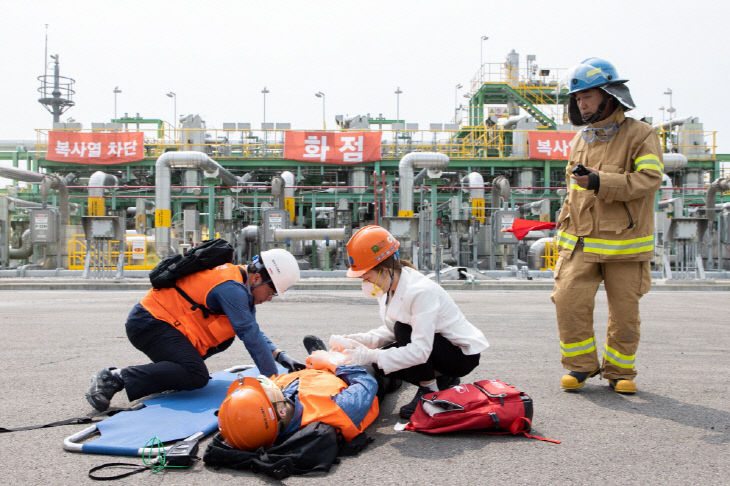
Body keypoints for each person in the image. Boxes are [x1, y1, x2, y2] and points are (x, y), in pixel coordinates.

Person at [552, 57, 663, 394]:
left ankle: (620, 371)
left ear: (608, 94)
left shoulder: (641, 134)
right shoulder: (580, 139)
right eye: (577, 98)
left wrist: (600, 181)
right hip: (580, 241)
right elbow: (572, 193)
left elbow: (649, 179)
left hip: (625, 244)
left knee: (624, 312)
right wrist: (562, 231)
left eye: (586, 96)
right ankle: (581, 367)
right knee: (567, 300)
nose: (580, 103)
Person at [85, 248, 304, 412]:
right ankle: (114, 377)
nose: (269, 298)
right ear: (257, 278)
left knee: (221, 341)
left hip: (164, 326)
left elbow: (253, 332)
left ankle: (170, 372)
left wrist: (281, 356)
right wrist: (275, 385)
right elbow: (250, 335)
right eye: (272, 292)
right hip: (149, 322)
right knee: (195, 374)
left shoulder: (239, 285)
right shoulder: (231, 288)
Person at [331, 225, 490, 420]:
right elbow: (390, 330)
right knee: (384, 359)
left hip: (459, 355)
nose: (365, 281)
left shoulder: (420, 291)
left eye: (366, 275)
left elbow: (419, 349)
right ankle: (443, 379)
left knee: (398, 337)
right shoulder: (388, 287)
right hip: (436, 348)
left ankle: (430, 392)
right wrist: (361, 341)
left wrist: (371, 355)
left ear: (384, 268)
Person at [217, 342, 379, 451]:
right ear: (280, 411)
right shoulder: (335, 410)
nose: (264, 384)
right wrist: (330, 361)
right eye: (262, 391)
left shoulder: (278, 404)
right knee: (364, 356)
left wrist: (314, 365)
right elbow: (366, 383)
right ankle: (330, 353)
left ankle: (324, 353)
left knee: (337, 349)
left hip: (315, 375)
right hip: (349, 376)